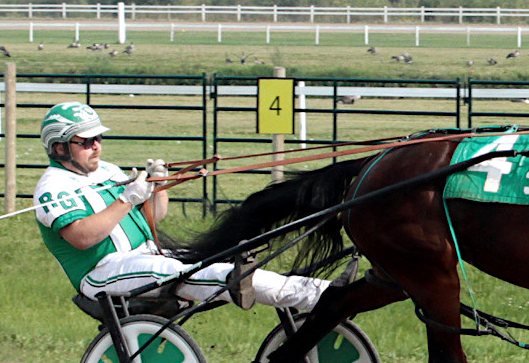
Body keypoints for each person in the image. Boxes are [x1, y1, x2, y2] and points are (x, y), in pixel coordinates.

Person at [34, 101, 329, 311]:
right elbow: (82, 237)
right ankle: (315, 296)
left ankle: (317, 291)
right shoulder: (53, 188)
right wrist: (126, 199)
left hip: (143, 257)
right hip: (101, 273)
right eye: (86, 141)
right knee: (190, 272)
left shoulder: (108, 170)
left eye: (98, 137)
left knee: (213, 262)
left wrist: (157, 187)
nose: (96, 145)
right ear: (60, 147)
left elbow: (154, 216)